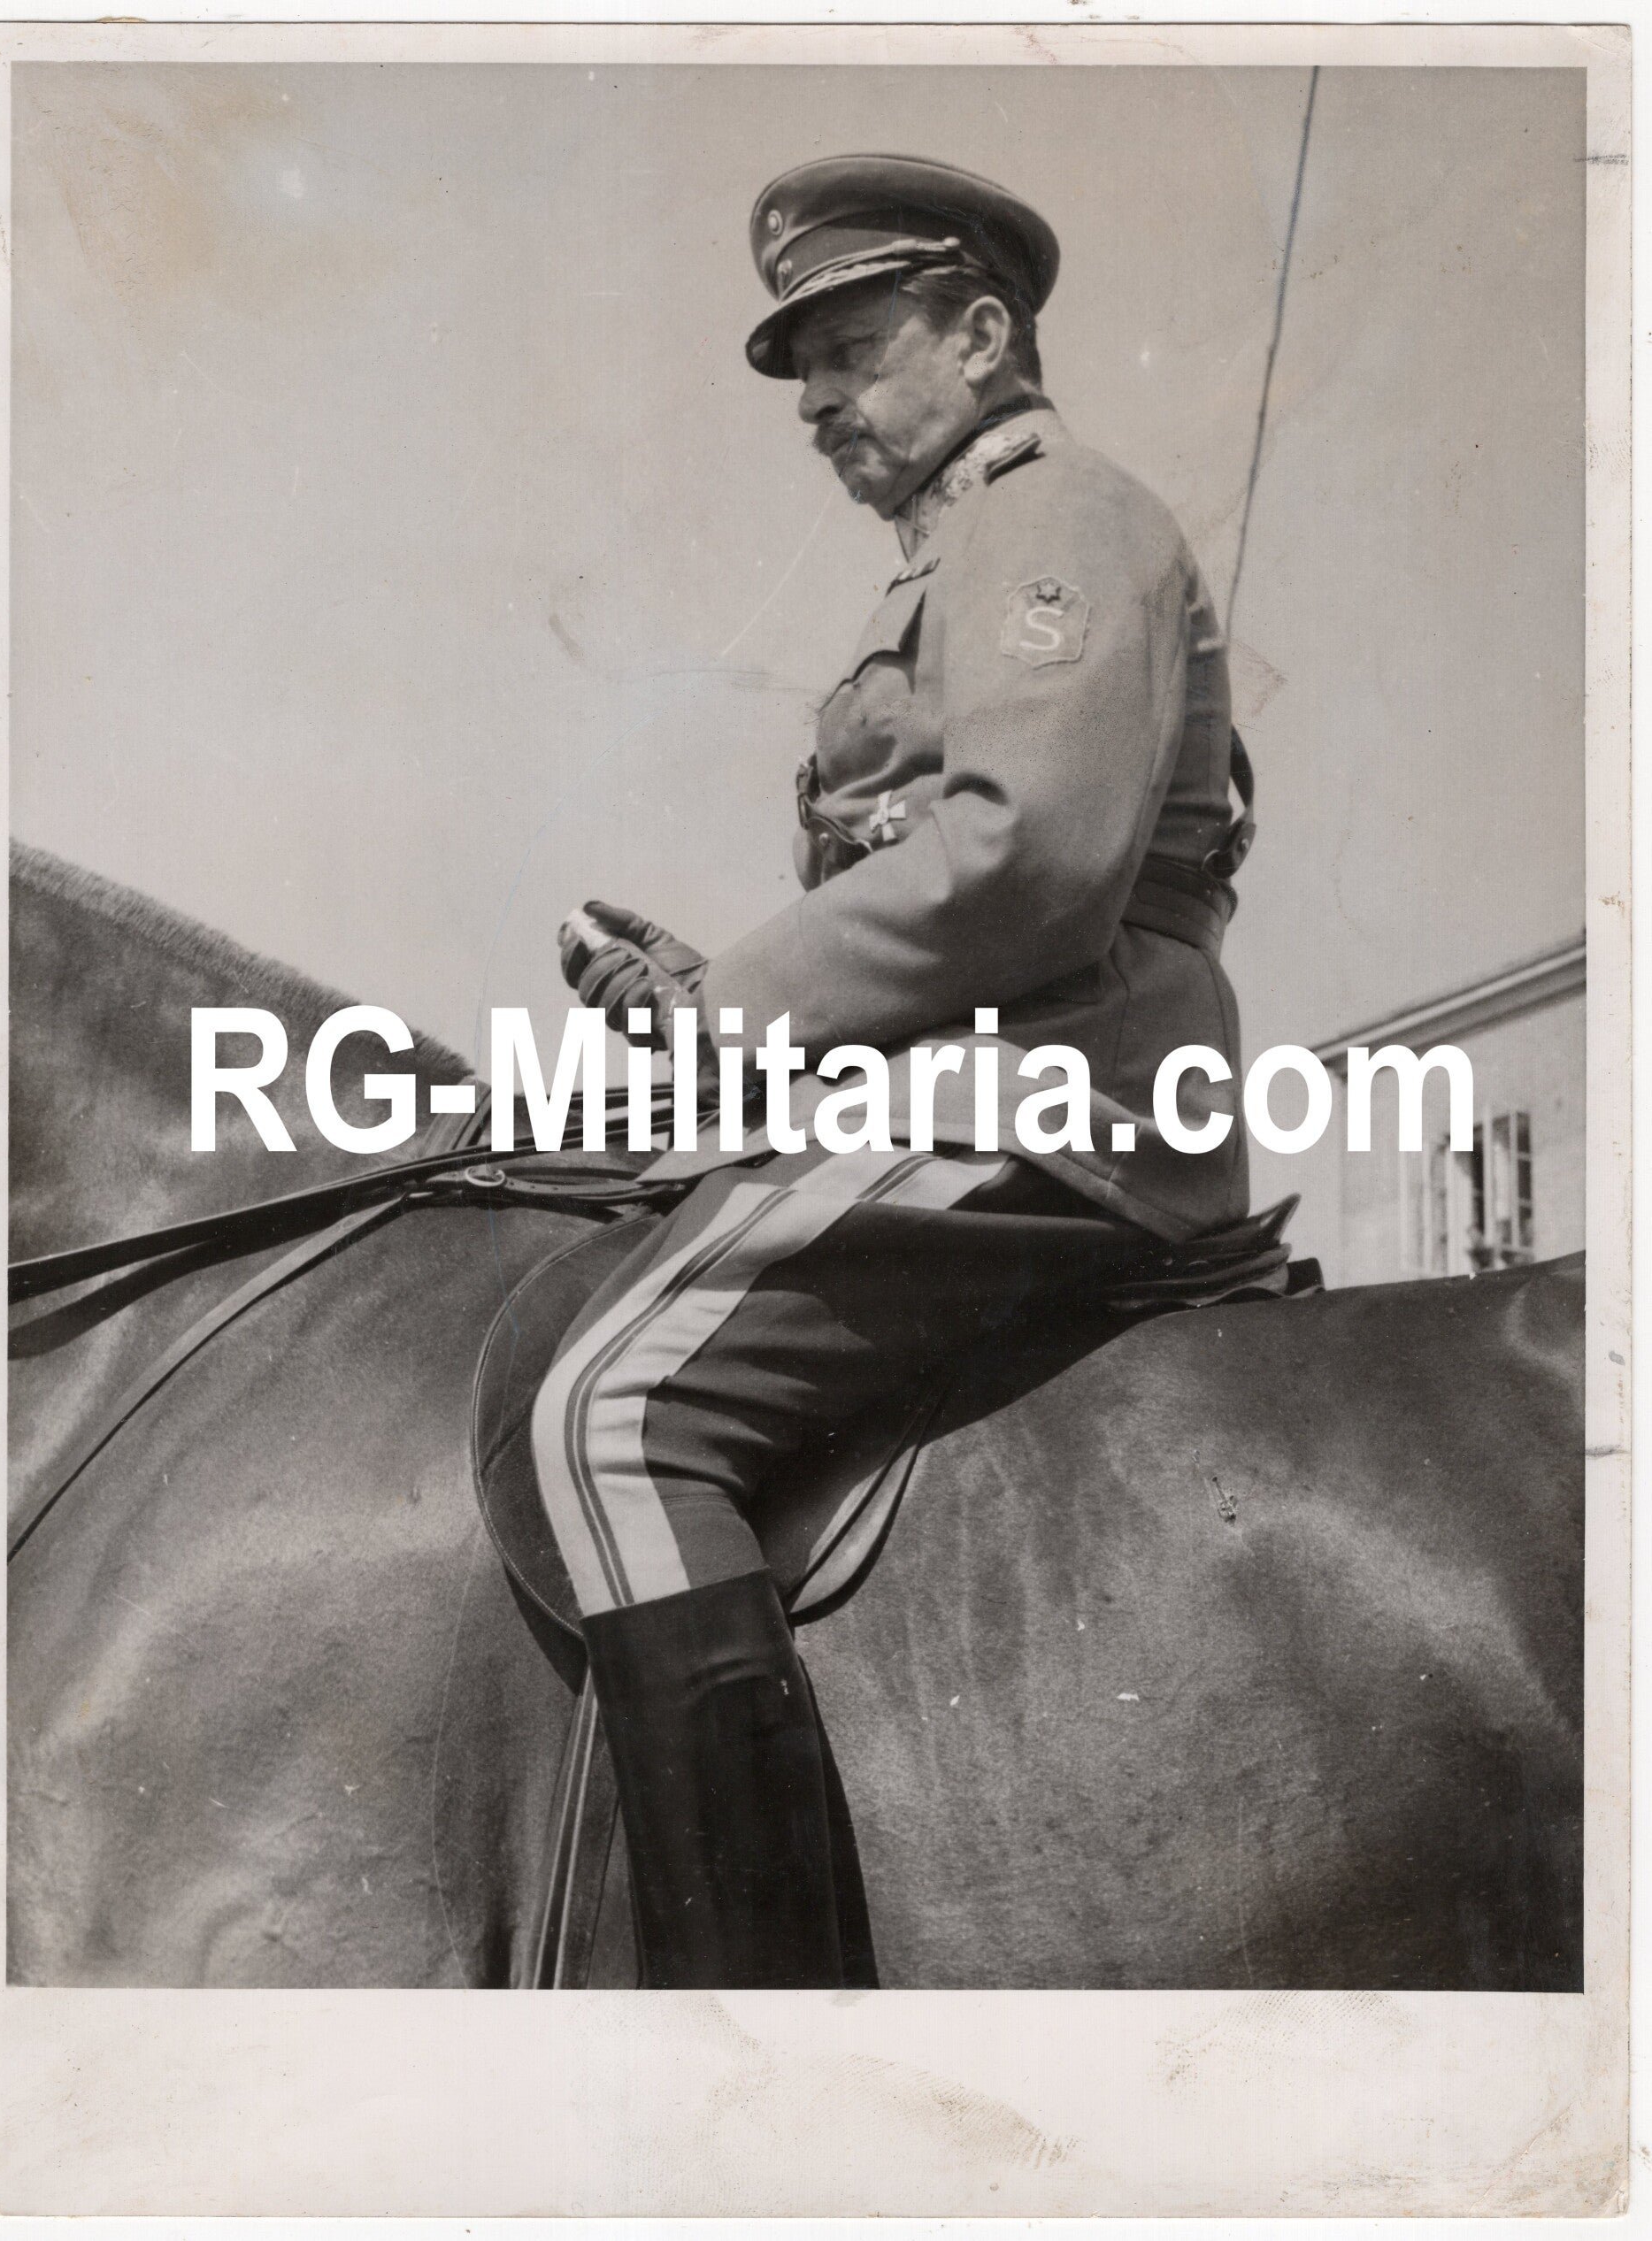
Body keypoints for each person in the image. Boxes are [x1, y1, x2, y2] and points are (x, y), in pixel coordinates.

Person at [534, 155, 1255, 1989]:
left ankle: (759, 2009)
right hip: (956, 1089)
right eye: (800, 375)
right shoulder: (952, 560)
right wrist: (709, 1006)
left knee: (604, 1416)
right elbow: (918, 898)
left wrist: (745, 1007)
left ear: (985, 332)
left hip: (1061, 1107)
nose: (819, 407)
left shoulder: (1051, 517)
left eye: (852, 350)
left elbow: (1024, 864)